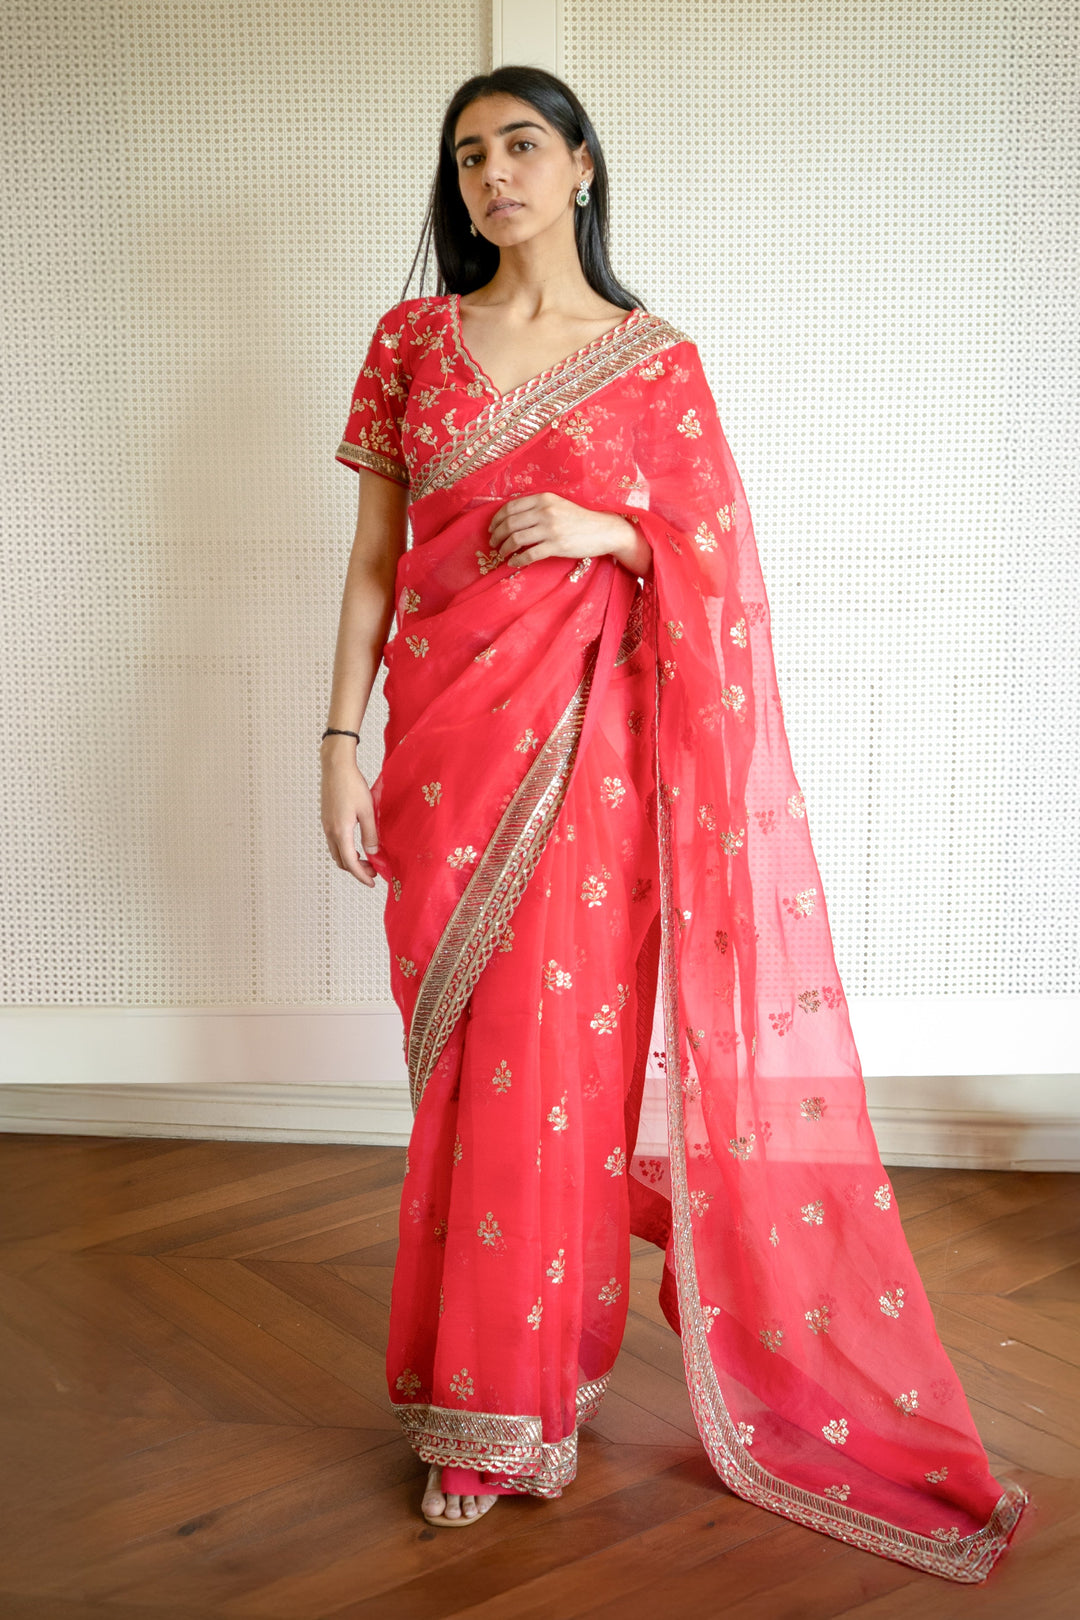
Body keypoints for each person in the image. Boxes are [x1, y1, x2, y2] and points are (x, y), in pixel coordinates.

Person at [320, 65, 1027, 1577]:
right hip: (441, 758)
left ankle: (503, 1401)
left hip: (586, 763)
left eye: (521, 145)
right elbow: (375, 566)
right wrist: (334, 737)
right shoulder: (408, 343)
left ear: (581, 167)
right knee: (462, 1073)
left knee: (548, 1060)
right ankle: (496, 1370)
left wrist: (612, 531)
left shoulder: (654, 362)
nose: (492, 174)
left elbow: (723, 561)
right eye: (466, 156)